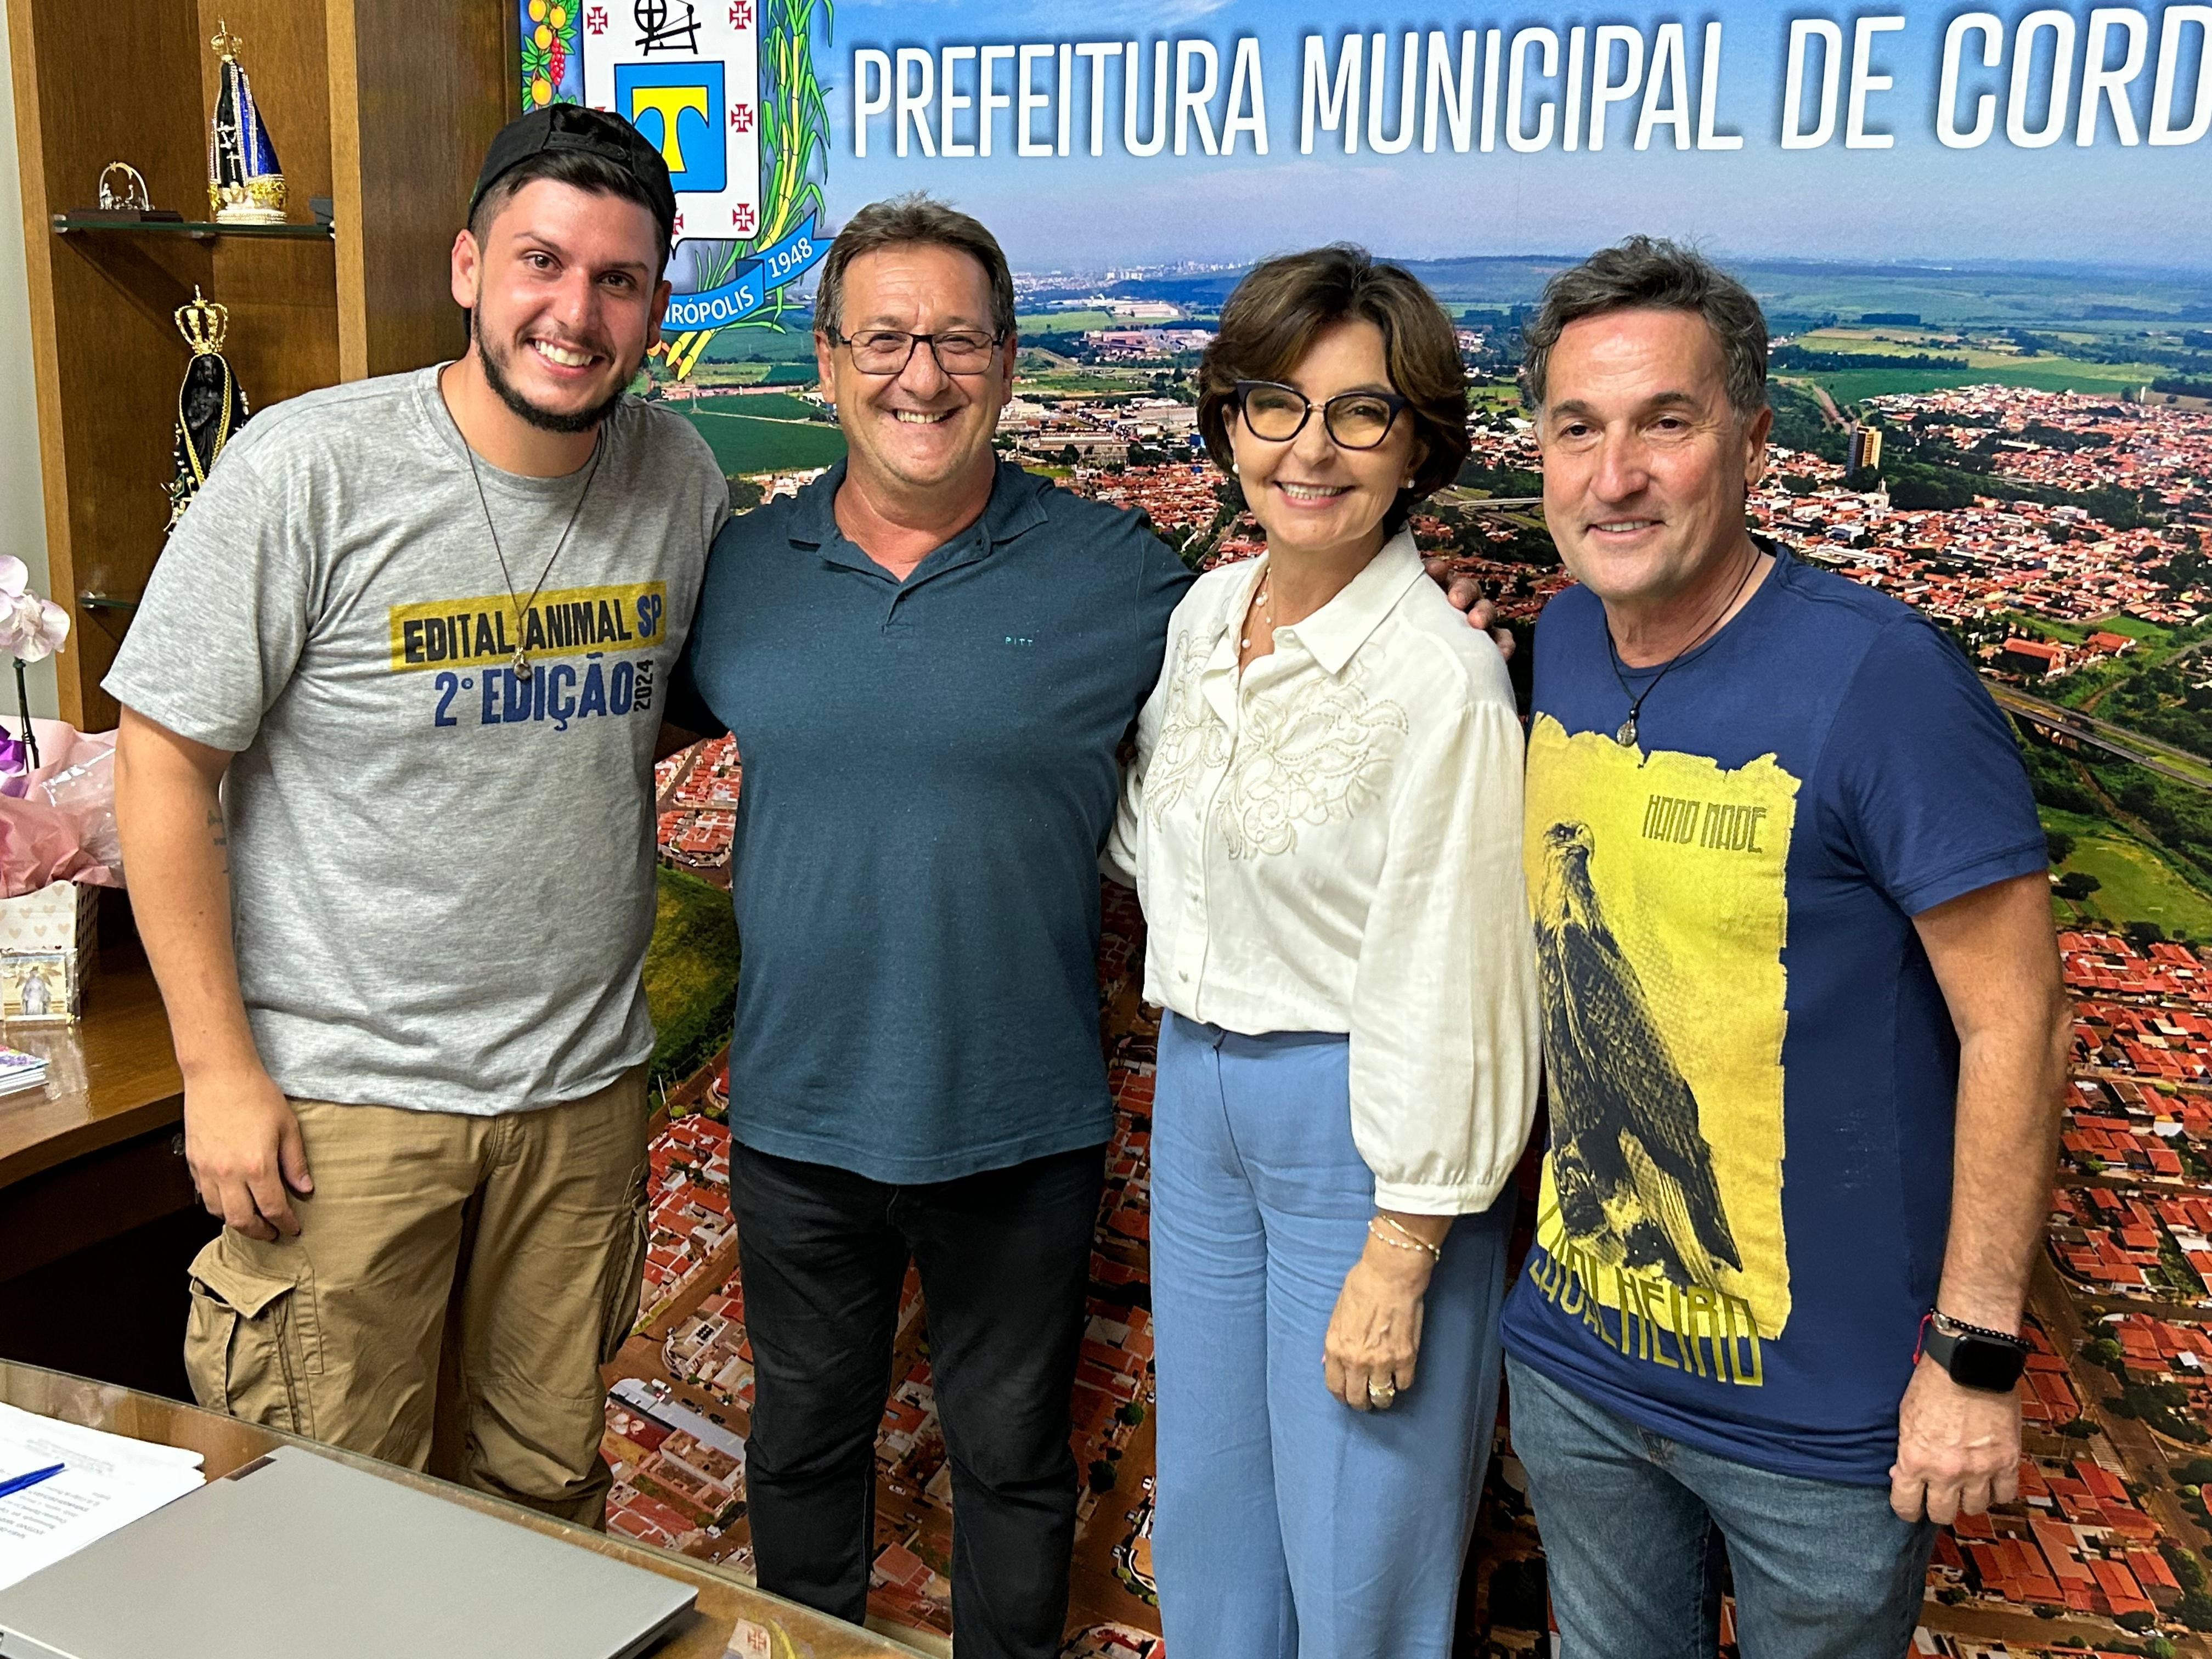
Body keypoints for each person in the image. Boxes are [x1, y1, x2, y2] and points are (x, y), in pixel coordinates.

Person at [663, 197, 1503, 1657]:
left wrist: (1450, 638)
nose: (921, 373)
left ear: (1006, 362)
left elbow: (1343, 687)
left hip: (1041, 1119)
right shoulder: (745, 570)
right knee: (816, 1450)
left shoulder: (1130, 580)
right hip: (813, 1109)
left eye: (958, 339)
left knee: (1035, 1469)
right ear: (827, 361)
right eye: (884, 338)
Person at [108, 106, 727, 1525]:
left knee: (543, 1504)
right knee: (333, 1521)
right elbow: (161, 763)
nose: (575, 312)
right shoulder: (308, 472)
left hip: (578, 1100)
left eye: (619, 279)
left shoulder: (678, 482)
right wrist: (217, 1070)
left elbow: (659, 713)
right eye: (540, 262)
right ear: (467, 268)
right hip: (347, 1103)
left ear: (655, 307)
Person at [1497, 236, 2069, 1656]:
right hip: (1578, 1364)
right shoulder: (1557, 643)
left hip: (1823, 1425)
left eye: (1665, 424)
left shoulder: (1882, 680)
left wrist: (1973, 1355)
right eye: (1578, 428)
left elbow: (2020, 1022)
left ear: (1752, 444)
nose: (1616, 475)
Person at [1104, 245, 1538, 1658]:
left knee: (1361, 1555)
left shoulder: (1445, 680)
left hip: (1365, 1132)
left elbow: (1464, 983)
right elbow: (1151, 843)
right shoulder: (1203, 618)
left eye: (1362, 413)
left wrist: (1404, 1250)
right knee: (1214, 1519)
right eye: (1276, 405)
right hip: (1199, 1092)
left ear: (1420, 449)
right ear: (1229, 423)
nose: (1310, 449)